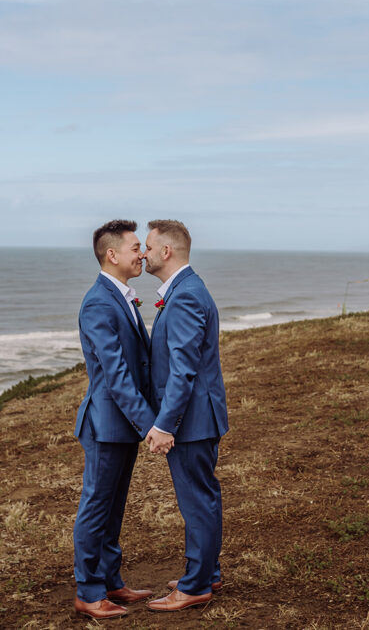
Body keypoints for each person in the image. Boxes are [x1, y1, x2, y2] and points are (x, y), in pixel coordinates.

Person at [142, 219, 229, 612]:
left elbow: (183, 369)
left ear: (166, 252)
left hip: (192, 420)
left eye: (147, 246)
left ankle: (195, 585)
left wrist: (163, 424)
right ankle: (206, 573)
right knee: (202, 497)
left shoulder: (186, 295)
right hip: (198, 417)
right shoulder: (185, 289)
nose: (142, 253)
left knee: (197, 500)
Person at [72, 219, 157, 620]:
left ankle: (110, 580)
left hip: (122, 424)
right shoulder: (98, 302)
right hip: (107, 423)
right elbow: (116, 375)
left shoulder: (121, 296)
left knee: (114, 506)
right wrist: (151, 424)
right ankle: (89, 593)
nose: (142, 253)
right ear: (112, 254)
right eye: (136, 247)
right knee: (96, 505)